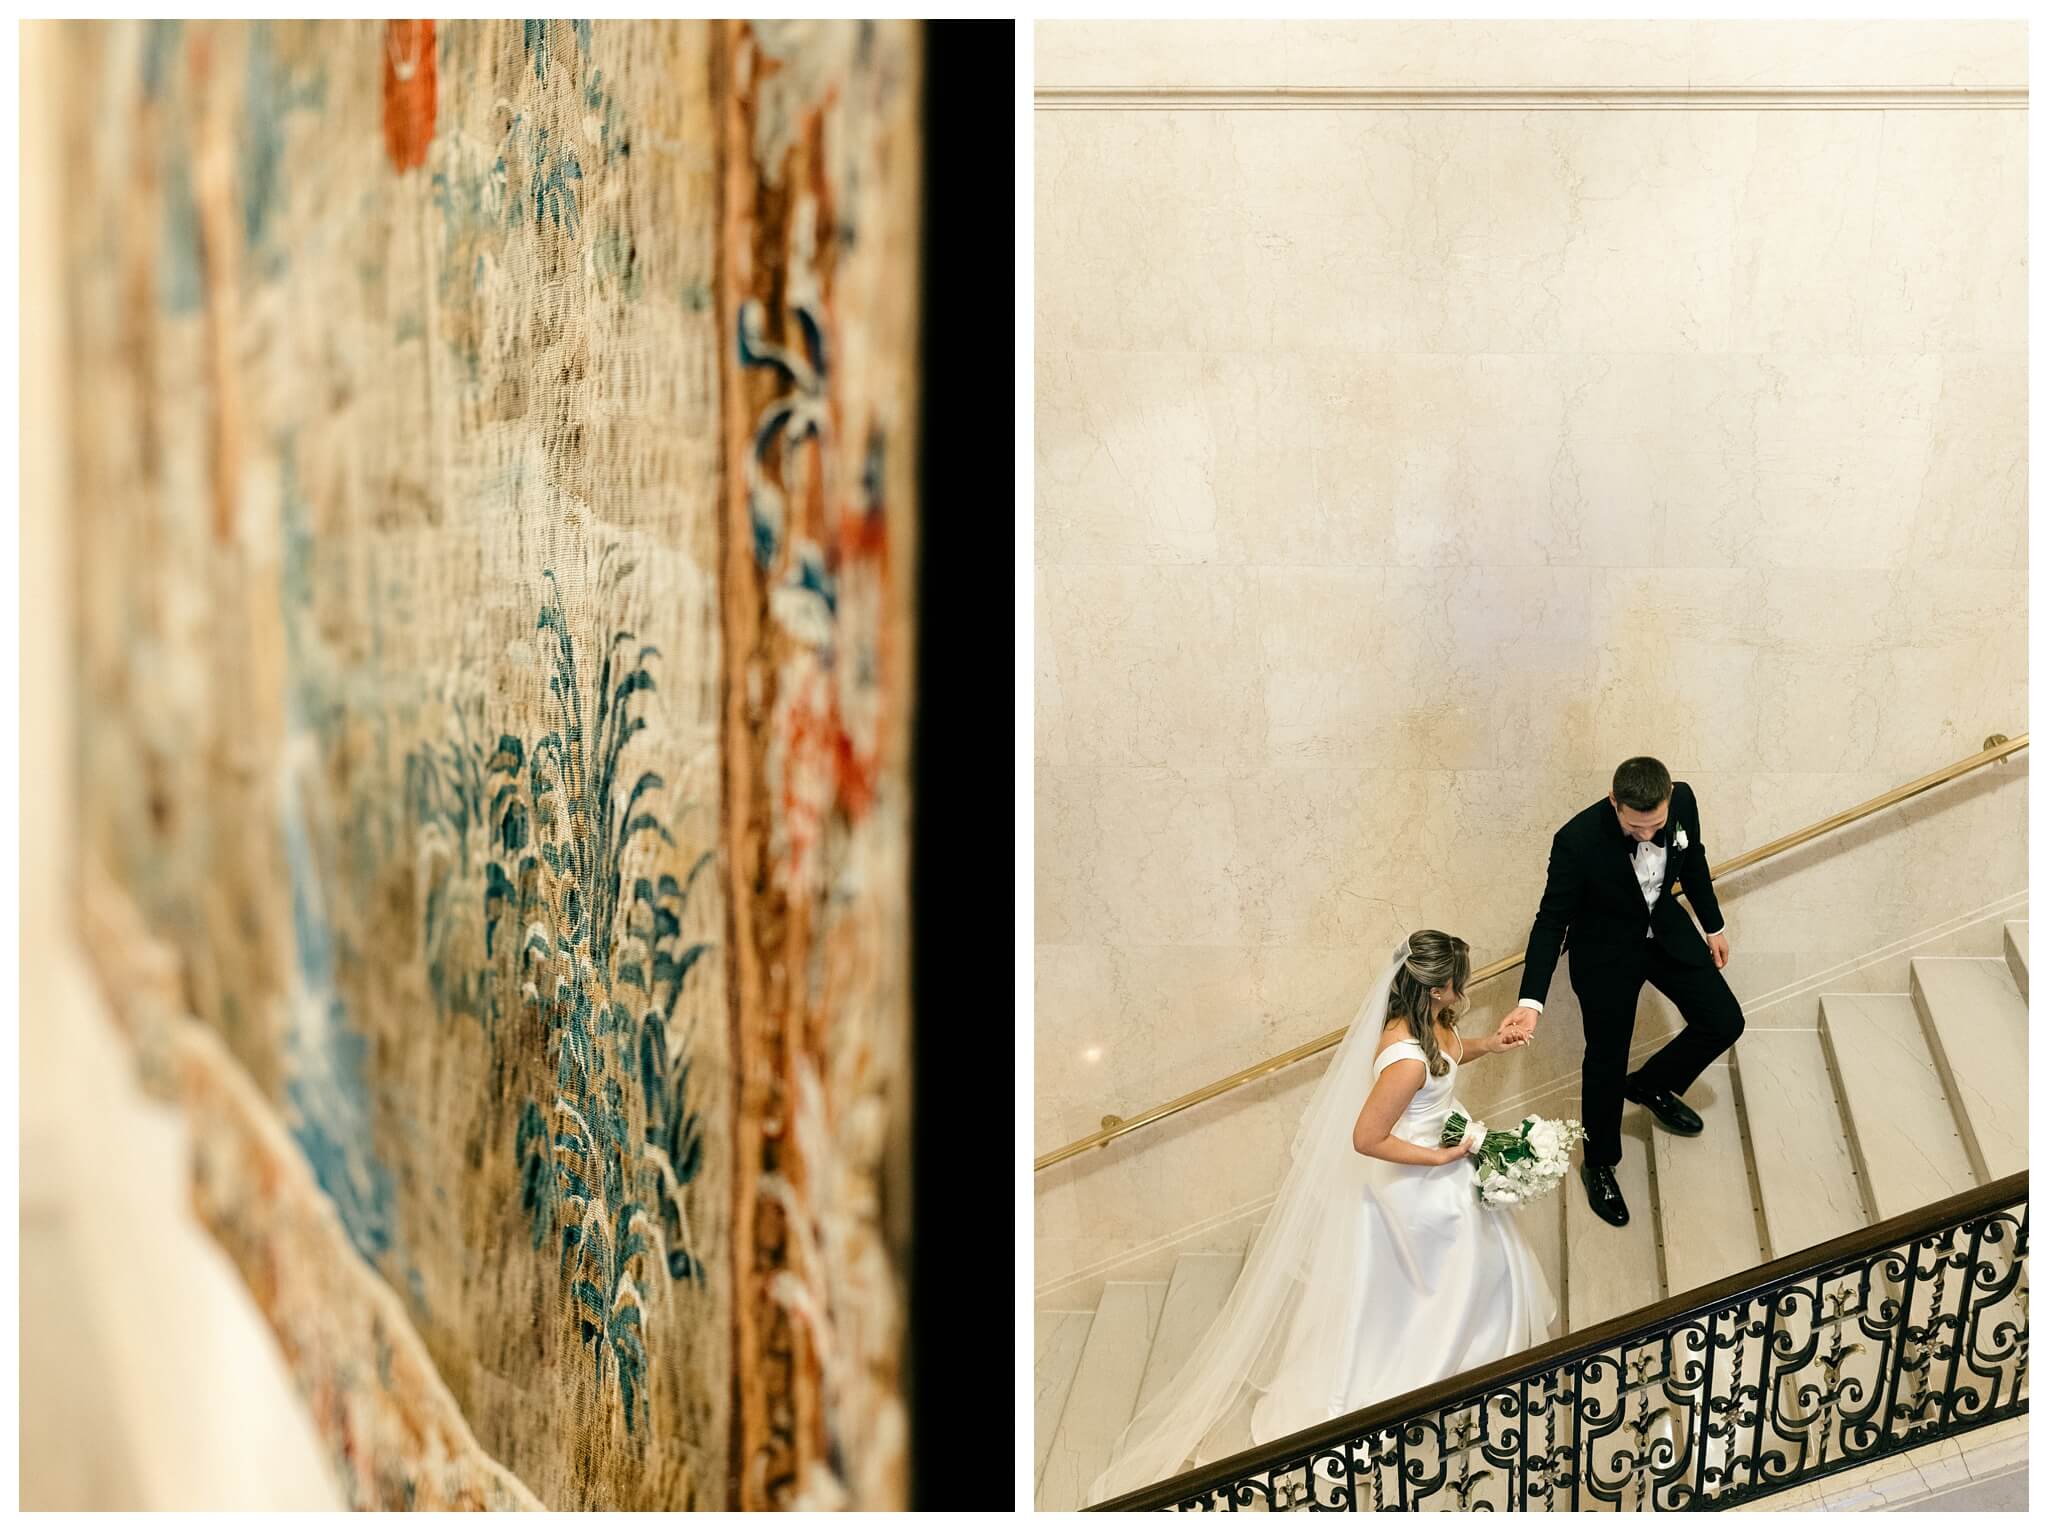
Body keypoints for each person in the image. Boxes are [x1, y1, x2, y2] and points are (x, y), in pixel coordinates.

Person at [1086, 931, 1558, 1505]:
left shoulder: (1429, 1022)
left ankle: (1474, 1352)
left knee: (1475, 1267)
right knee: (1442, 1277)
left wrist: (1491, 1044)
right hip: (1417, 1184)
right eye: (1459, 979)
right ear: (1437, 989)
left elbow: (1449, 1054)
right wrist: (1439, 1156)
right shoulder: (1406, 1062)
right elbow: (1366, 1137)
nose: (1466, 986)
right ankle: (1425, 1371)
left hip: (1441, 1158)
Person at [1496, 756, 1744, 1228]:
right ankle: (1599, 1163)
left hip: (1664, 932)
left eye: (1657, 826)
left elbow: (1694, 862)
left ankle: (1650, 1084)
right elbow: (1550, 922)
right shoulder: (1576, 841)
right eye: (1636, 827)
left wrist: (1714, 925)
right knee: (1607, 1058)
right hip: (1605, 954)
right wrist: (1531, 1003)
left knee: (1724, 1020)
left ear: (1670, 797)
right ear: (1614, 803)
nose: (1649, 836)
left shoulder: (1684, 799)